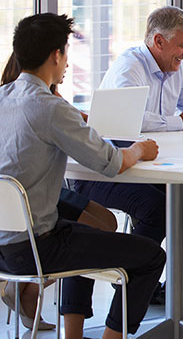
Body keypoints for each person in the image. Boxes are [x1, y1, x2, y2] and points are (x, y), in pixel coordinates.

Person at [0, 13, 165, 339]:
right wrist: (141, 149)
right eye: (66, 55)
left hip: (5, 244)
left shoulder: (4, 96)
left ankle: (72, 333)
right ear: (55, 55)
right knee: (150, 257)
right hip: (35, 248)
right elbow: (112, 162)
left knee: (87, 227)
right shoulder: (49, 107)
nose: (65, 65)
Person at [71, 6, 183, 311]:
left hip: (149, 166)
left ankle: (178, 283)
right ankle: (132, 297)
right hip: (106, 170)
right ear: (158, 41)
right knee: (156, 209)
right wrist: (181, 121)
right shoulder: (129, 68)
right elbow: (130, 121)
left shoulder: (178, 69)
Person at [1, 52, 118, 331]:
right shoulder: (37, 102)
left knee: (107, 222)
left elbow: (72, 125)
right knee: (97, 230)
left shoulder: (30, 98)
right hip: (32, 195)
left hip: (27, 194)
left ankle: (26, 287)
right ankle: (30, 286)